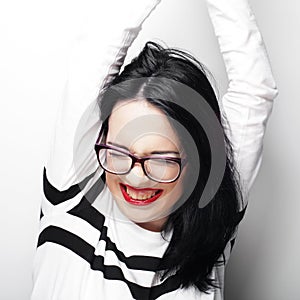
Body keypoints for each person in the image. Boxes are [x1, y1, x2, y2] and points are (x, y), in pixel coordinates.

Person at [31, 0, 278, 299]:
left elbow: (255, 90)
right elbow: (100, 41)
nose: (135, 179)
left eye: (161, 160)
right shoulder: (73, 192)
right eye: (119, 152)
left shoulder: (212, 225)